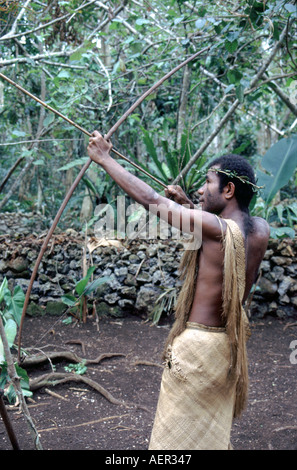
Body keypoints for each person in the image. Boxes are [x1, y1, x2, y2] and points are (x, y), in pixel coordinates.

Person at [87, 131, 270, 450]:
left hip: (197, 348)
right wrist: (186, 204)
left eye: (208, 183)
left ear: (228, 189)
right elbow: (225, 245)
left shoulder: (214, 228)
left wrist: (105, 159)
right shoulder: (261, 231)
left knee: (174, 443)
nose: (201, 189)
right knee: (208, 437)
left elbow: (153, 201)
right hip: (227, 347)